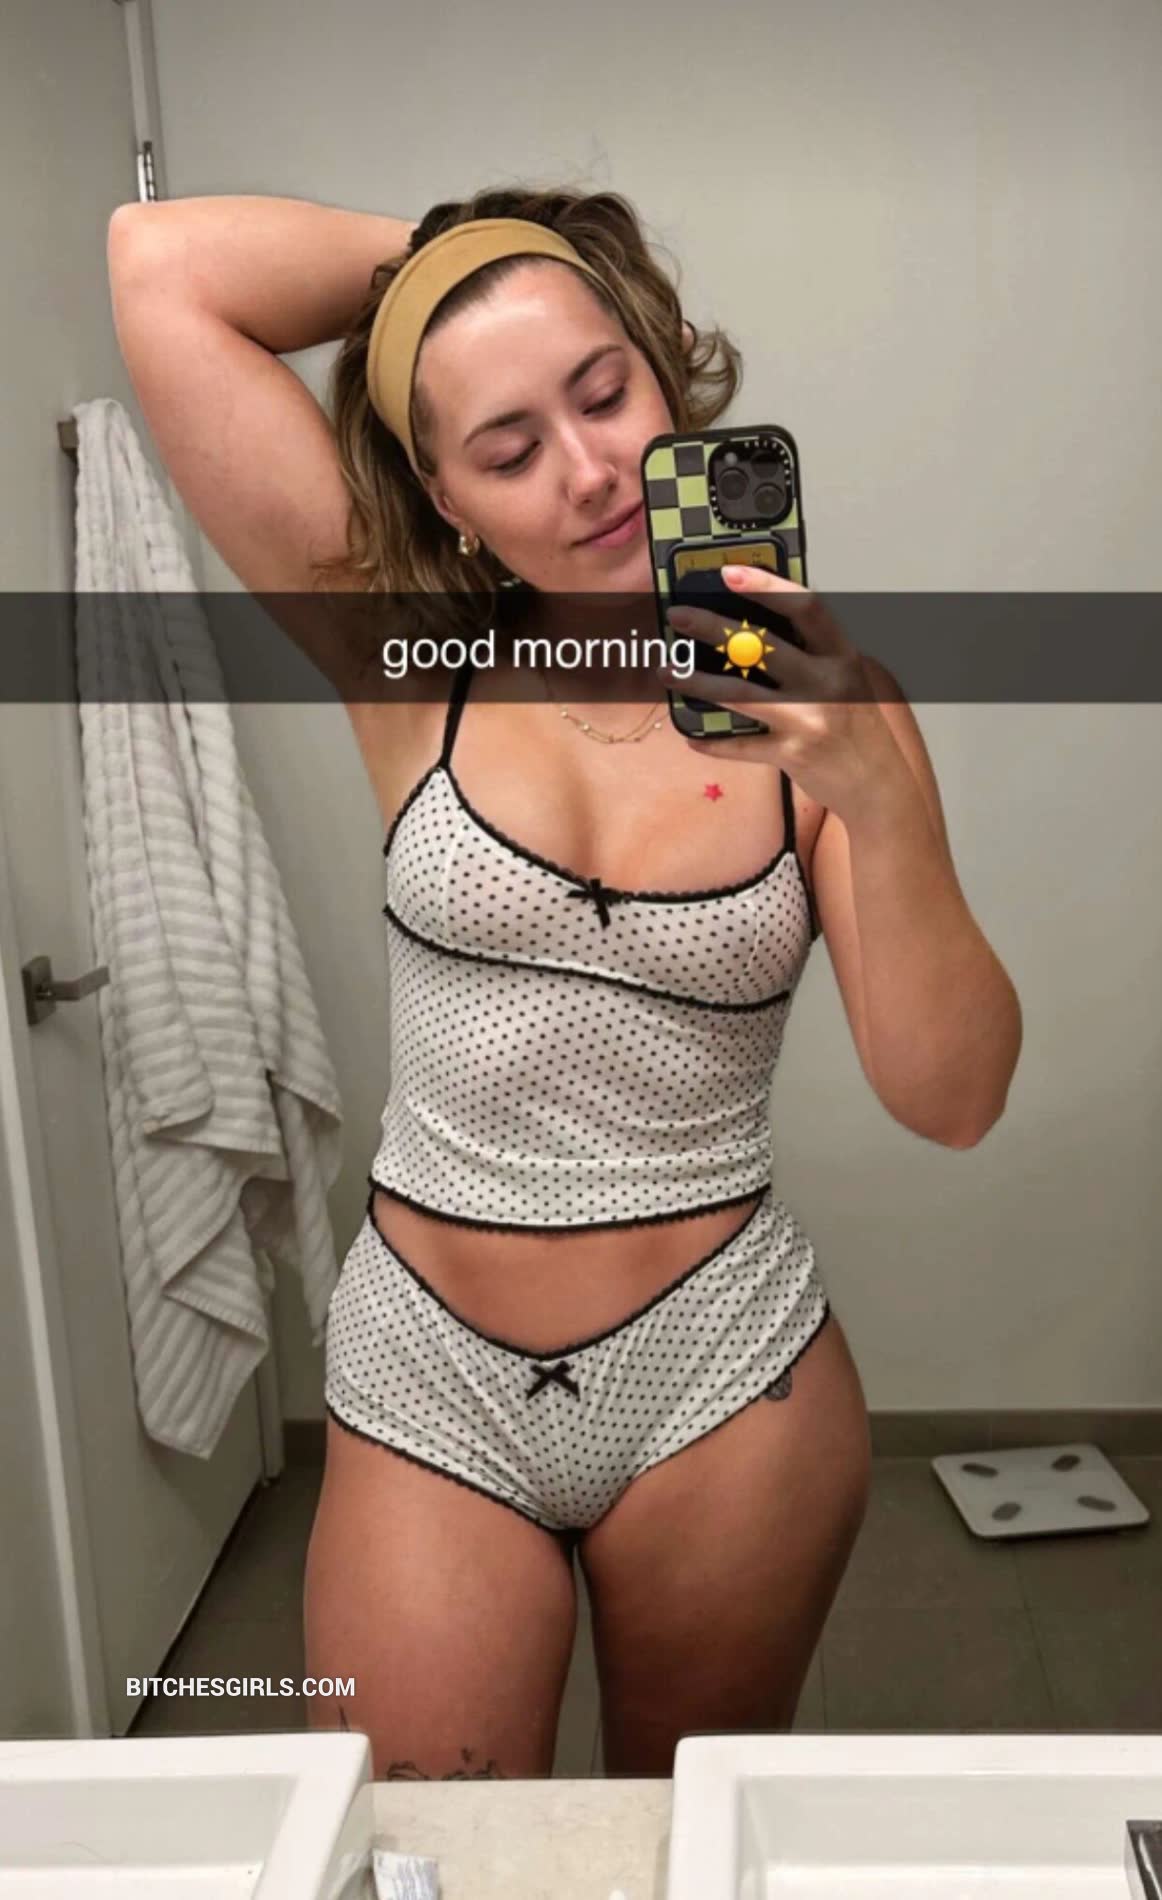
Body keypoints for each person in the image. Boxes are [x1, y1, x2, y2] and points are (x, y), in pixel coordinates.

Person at [107, 183, 1011, 1781]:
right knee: (427, 1861)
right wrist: (477, 257)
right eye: (508, 445)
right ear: (444, 496)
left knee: (676, 1840)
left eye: (604, 390)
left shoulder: (830, 711)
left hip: (723, 1374)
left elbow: (951, 1100)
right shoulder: (404, 659)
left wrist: (877, 798)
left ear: (661, 368)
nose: (588, 471)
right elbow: (158, 265)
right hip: (425, 1366)